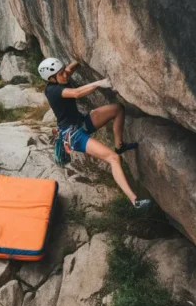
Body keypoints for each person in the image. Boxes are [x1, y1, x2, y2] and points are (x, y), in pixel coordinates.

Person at [39, 57, 152, 209]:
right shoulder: (53, 90)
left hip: (81, 122)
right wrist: (98, 83)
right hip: (73, 135)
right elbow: (77, 93)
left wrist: (76, 62)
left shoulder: (61, 76)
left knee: (118, 109)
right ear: (51, 79)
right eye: (60, 74)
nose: (65, 75)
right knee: (113, 158)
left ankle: (119, 145)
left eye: (63, 70)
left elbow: (70, 69)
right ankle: (135, 200)